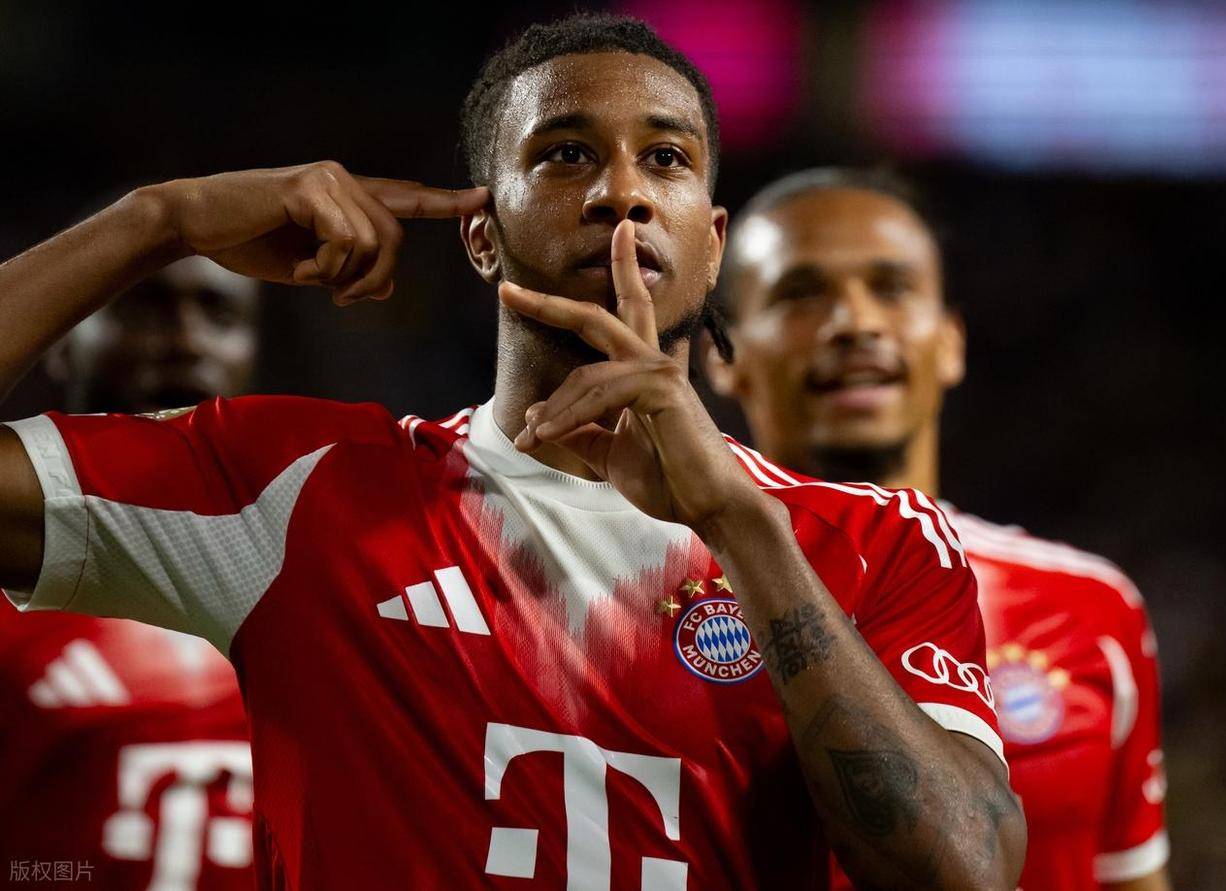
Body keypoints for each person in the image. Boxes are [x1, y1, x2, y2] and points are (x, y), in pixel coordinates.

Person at [0, 16, 1024, 890]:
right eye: (565, 154)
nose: (621, 192)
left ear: (712, 244)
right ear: (481, 234)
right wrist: (158, 220)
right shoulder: (302, 486)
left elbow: (965, 869)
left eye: (665, 158)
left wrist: (736, 522)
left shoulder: (875, 541)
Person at [706, 167, 1169, 890]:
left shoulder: (1090, 608)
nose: (855, 322)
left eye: (891, 287)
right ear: (723, 357)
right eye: (801, 294)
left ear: (950, 342)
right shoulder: (662, 602)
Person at [0, 257, 259, 890]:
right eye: (145, 306)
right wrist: (153, 220)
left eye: (219, 315)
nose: (186, 341)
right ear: (62, 341)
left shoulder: (321, 579)